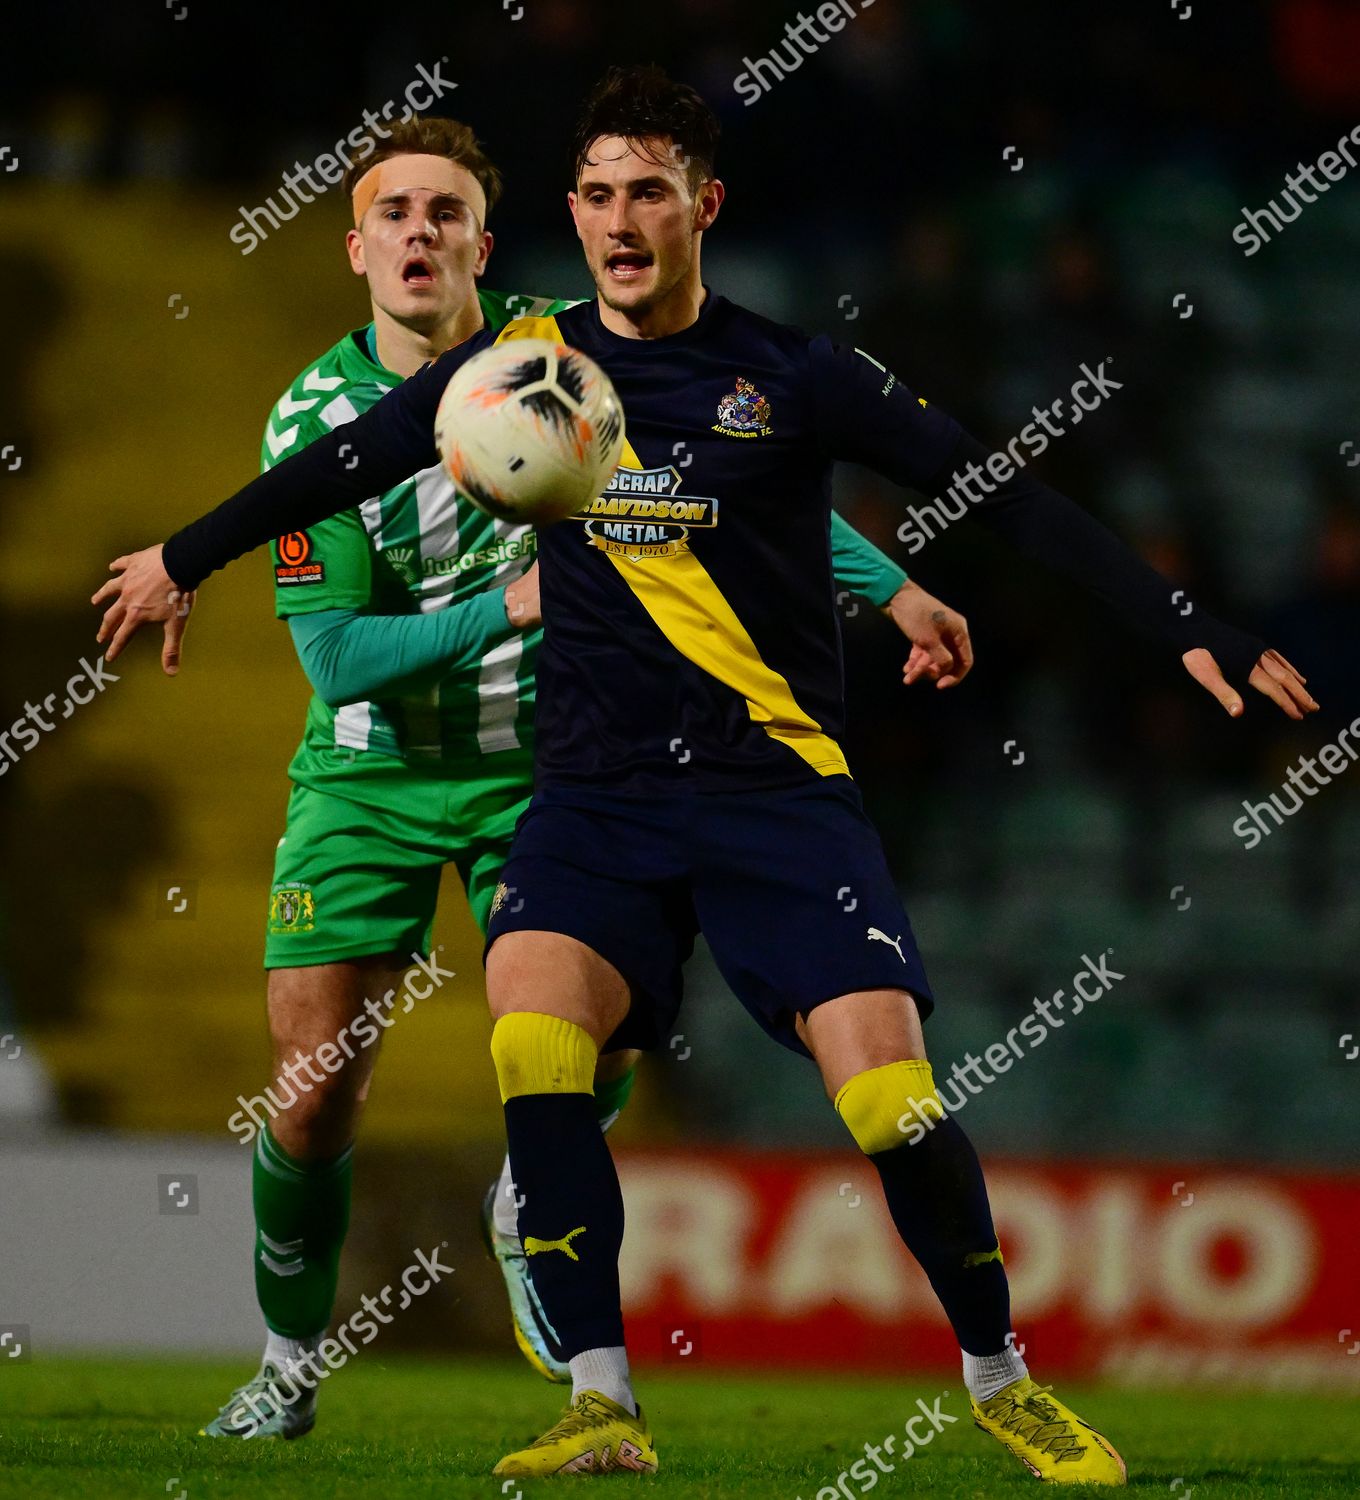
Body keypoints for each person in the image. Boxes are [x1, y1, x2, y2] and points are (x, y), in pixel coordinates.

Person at [93, 65, 1315, 1485]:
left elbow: (1007, 490)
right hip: (595, 800)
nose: (622, 218)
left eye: (650, 192)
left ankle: (999, 1378)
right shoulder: (526, 371)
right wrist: (185, 555)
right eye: (600, 192)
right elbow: (347, 460)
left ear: (702, 207)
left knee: (889, 1107)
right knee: (532, 1048)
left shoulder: (795, 377)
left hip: (774, 795)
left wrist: (1182, 627)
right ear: (573, 211)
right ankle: (601, 1405)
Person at [97, 111, 969, 1443]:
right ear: (356, 249)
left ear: (483, 244)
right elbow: (336, 662)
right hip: (371, 776)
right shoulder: (315, 421)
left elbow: (730, 501)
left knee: (591, 1031)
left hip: (550, 768)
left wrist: (891, 584)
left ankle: (532, 1198)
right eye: (395, 214)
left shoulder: (557, 355)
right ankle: (285, 1365)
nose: (420, 236)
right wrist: (508, 611)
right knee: (316, 1082)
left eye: (445, 214)